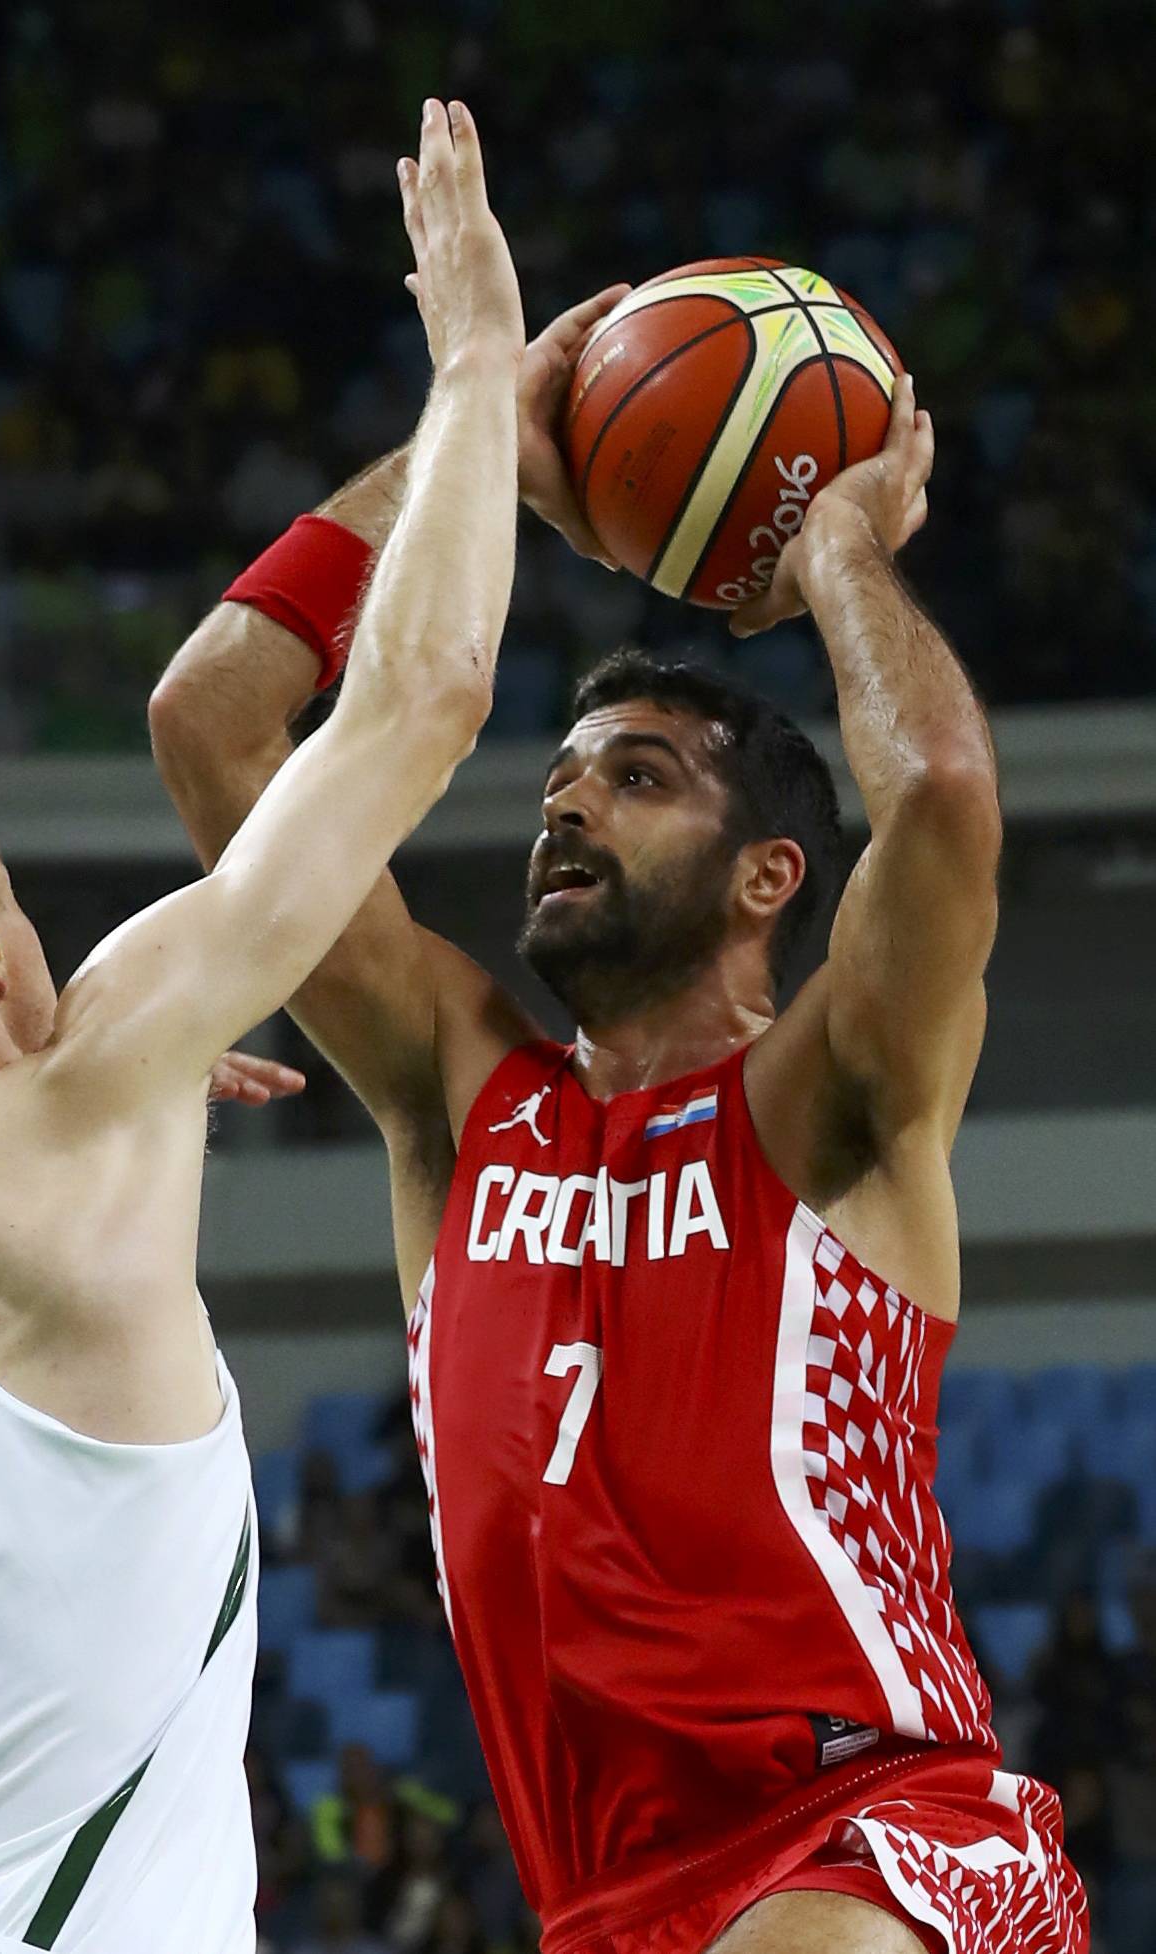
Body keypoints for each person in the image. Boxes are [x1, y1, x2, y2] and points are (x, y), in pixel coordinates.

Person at [150, 276, 1091, 1954]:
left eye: (637, 776)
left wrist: (836, 556)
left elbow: (940, 796)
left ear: (766, 877)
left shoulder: (825, 1095)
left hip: (884, 1835)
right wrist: (479, 451)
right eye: (565, 775)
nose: (570, 797)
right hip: (604, 1906)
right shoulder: (458, 1094)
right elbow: (213, 722)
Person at [0, 99, 525, 1954]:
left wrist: (141, 1085)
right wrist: (476, 367)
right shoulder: (59, 1123)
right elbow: (419, 700)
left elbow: (9, 1316)